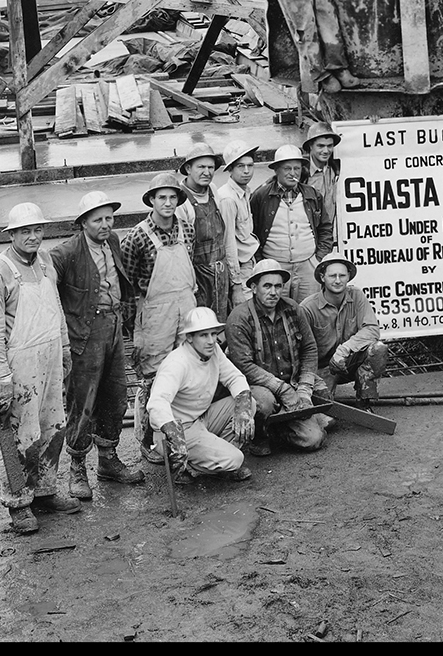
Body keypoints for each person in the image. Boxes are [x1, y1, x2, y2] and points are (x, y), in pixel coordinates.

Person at [0, 203, 80, 534]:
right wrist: (2, 379)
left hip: (50, 354)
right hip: (17, 364)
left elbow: (57, 309)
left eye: (38, 230)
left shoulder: (46, 262)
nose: (33, 236)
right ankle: (18, 502)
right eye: (25, 231)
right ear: (11, 234)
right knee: (20, 436)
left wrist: (64, 348)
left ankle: (46, 490)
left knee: (54, 425)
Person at [51, 192, 145, 498]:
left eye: (109, 218)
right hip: (84, 335)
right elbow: (43, 283)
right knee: (82, 401)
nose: (105, 224)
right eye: (97, 219)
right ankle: (77, 467)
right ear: (82, 223)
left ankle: (107, 460)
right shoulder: (65, 253)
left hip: (114, 328)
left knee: (116, 395)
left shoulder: (113, 242)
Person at [120, 173, 203, 458]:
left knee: (187, 371)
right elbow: (127, 283)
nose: (168, 203)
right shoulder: (137, 237)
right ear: (152, 200)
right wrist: (134, 326)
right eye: (162, 198)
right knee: (153, 379)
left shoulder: (187, 229)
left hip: (186, 306)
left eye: (172, 198)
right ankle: (147, 440)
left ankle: (183, 435)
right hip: (154, 314)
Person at [145, 306, 262, 485]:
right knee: (235, 459)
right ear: (189, 337)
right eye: (203, 335)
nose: (211, 341)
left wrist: (243, 409)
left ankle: (215, 460)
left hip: (201, 418)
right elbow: (157, 403)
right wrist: (175, 437)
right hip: (177, 431)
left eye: (214, 334)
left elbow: (234, 377)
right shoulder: (177, 363)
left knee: (248, 403)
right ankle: (189, 465)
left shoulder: (213, 351)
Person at [224, 259, 326, 454]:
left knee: (314, 439)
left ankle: (281, 428)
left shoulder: (293, 309)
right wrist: (283, 389)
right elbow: (243, 365)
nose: (273, 292)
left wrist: (304, 388)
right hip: (258, 387)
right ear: (254, 288)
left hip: (292, 380)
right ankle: (261, 435)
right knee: (264, 404)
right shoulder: (239, 318)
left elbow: (309, 348)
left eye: (278, 286)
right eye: (267, 286)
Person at [247, 144, 333, 308]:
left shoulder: (312, 195)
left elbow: (325, 228)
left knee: (310, 310)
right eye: (287, 168)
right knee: (276, 310)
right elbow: (252, 232)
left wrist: (318, 258)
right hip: (275, 266)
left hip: (308, 265)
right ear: (276, 170)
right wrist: (261, 262)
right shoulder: (261, 196)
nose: (292, 173)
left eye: (297, 168)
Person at [299, 251, 387, 409]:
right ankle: (325, 397)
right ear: (322, 277)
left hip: (349, 361)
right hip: (321, 370)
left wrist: (344, 349)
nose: (338, 280)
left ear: (348, 277)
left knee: (378, 349)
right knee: (325, 411)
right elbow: (301, 350)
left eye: (342, 275)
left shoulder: (357, 295)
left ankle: (363, 400)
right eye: (332, 276)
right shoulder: (308, 308)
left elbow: (372, 329)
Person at [175, 147, 243, 324]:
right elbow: (182, 254)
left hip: (221, 275)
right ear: (188, 169)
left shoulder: (213, 190)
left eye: (211, 167)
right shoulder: (181, 201)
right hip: (198, 280)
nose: (207, 172)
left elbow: (226, 239)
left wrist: (236, 283)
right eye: (201, 167)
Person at [212, 149, 259, 311]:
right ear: (230, 169)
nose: (246, 171)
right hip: (239, 268)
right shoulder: (227, 199)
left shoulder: (244, 191)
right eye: (240, 166)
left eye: (250, 166)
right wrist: (236, 285)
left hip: (250, 262)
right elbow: (228, 243)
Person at [300, 122, 343, 244]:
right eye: (320, 146)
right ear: (310, 146)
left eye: (330, 146)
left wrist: (372, 123)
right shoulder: (301, 173)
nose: (326, 151)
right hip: (311, 239)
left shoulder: (336, 167)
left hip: (334, 238)